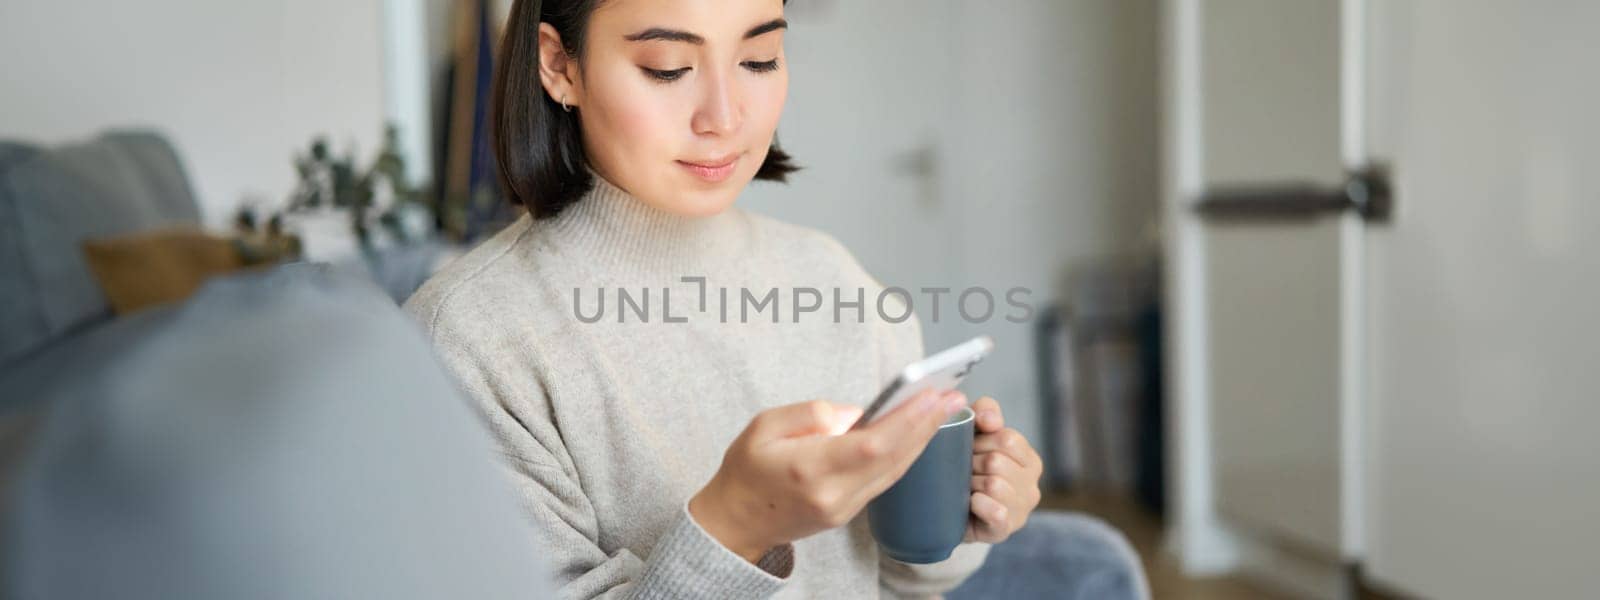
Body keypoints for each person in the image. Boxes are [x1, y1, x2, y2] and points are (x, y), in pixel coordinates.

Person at [406, 1, 1141, 597]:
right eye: (668, 68)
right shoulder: (470, 338)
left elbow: (902, 582)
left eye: (759, 58)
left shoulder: (835, 280)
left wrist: (960, 515)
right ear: (560, 66)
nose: (725, 115)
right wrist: (732, 524)